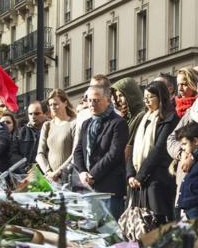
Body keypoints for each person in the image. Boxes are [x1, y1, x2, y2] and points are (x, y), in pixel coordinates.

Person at [127, 82, 180, 225]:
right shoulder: (143, 118)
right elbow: (133, 148)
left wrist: (140, 176)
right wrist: (131, 174)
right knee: (142, 225)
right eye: (145, 98)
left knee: (158, 223)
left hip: (158, 180)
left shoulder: (170, 119)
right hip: (140, 181)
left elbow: (159, 149)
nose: (147, 101)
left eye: (150, 97)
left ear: (161, 98)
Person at [73, 84, 129, 218]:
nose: (92, 104)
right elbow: (78, 150)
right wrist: (82, 172)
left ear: (107, 100)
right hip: (88, 188)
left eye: (96, 100)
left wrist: (92, 175)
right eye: (89, 100)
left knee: (111, 234)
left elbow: (114, 154)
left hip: (109, 189)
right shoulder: (87, 123)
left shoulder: (118, 123)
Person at [168, 75, 198, 218]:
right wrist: (182, 152)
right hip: (185, 177)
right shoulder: (191, 113)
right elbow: (171, 139)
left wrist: (196, 155)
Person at [36, 89, 77, 182]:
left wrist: (58, 172)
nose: (53, 107)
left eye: (56, 104)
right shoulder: (47, 125)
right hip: (50, 178)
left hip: (69, 177)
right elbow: (40, 154)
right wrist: (48, 172)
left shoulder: (74, 123)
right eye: (50, 105)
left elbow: (75, 153)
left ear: (65, 103)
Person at [175, 123, 198, 220]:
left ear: (195, 141)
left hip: (197, 208)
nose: (182, 148)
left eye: (184, 144)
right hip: (185, 208)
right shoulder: (190, 161)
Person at [112, 77, 147, 152]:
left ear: (131, 94)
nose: (118, 100)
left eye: (121, 95)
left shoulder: (142, 115)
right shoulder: (127, 117)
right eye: (116, 97)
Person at [13, 101, 47, 172]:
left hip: (48, 172)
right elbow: (14, 154)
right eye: (30, 114)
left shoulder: (52, 129)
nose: (33, 117)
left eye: (37, 113)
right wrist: (26, 168)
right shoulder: (20, 133)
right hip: (27, 174)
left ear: (45, 114)